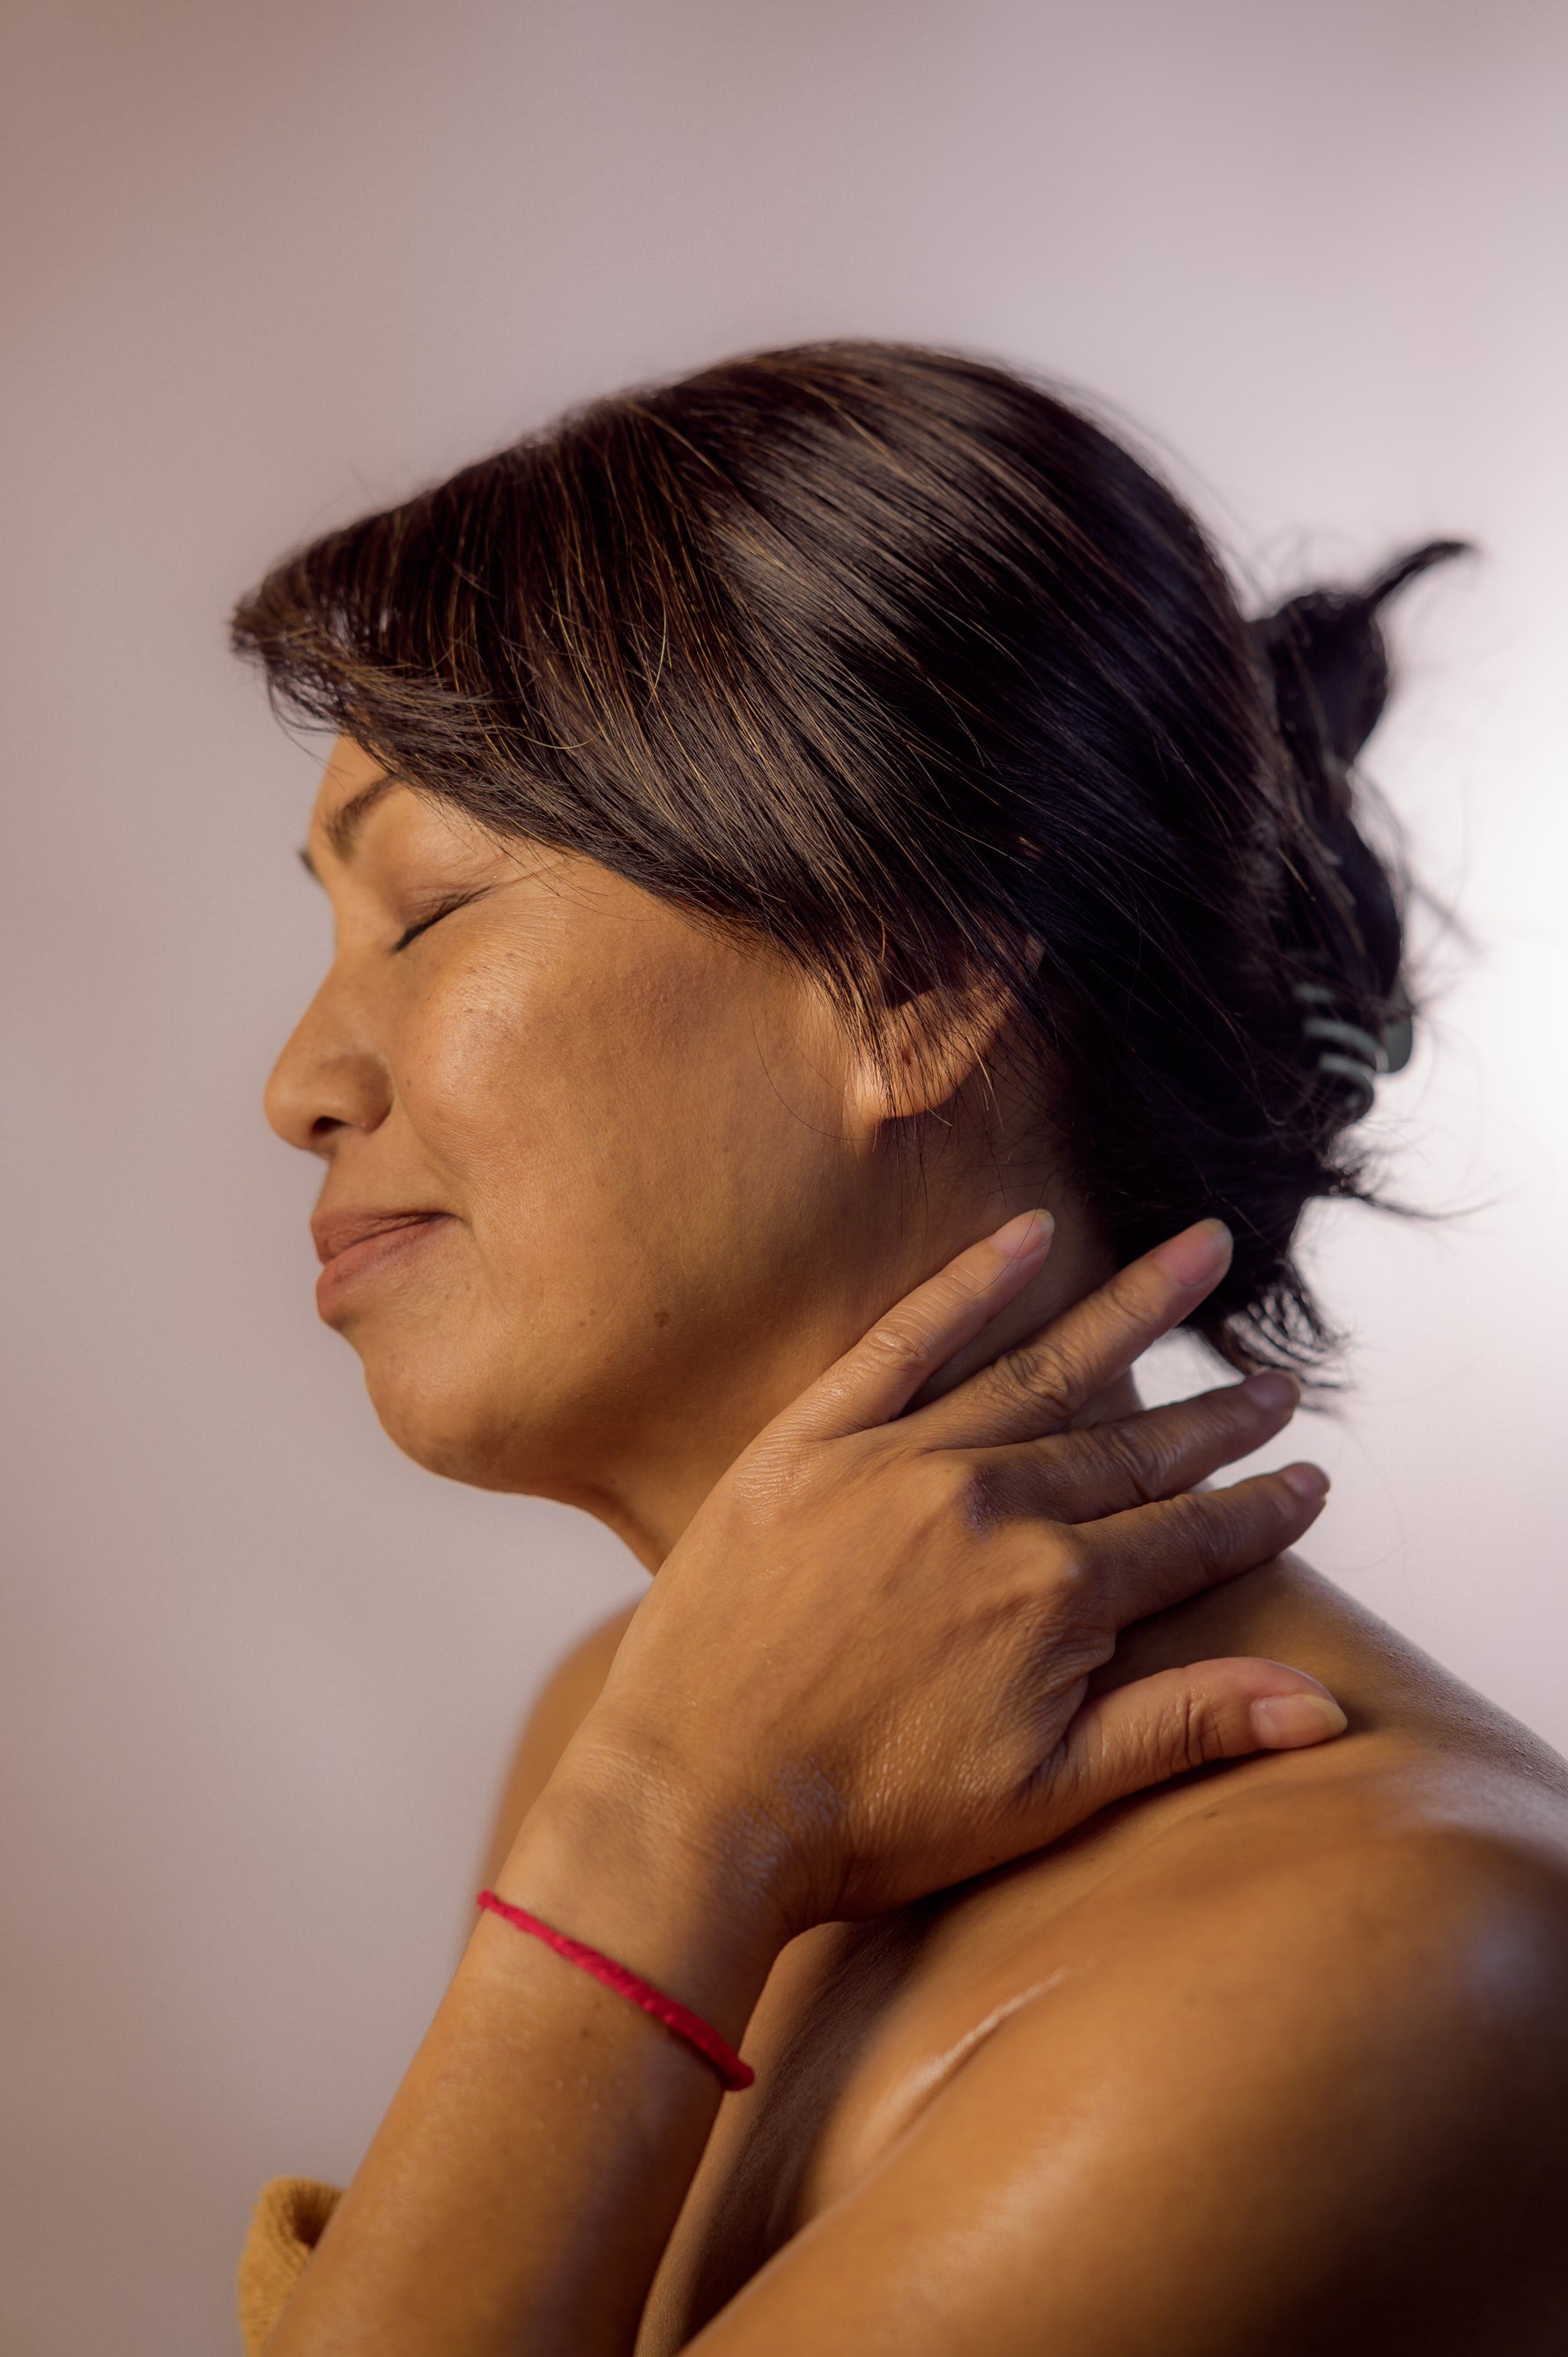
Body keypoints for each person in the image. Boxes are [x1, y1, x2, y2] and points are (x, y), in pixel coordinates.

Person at [232, 343, 1568, 2354]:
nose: (297, 1086)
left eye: (426, 913)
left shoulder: (1383, 1959)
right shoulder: (657, 1719)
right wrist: (667, 1805)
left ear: (913, 979)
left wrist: (661, 1831)